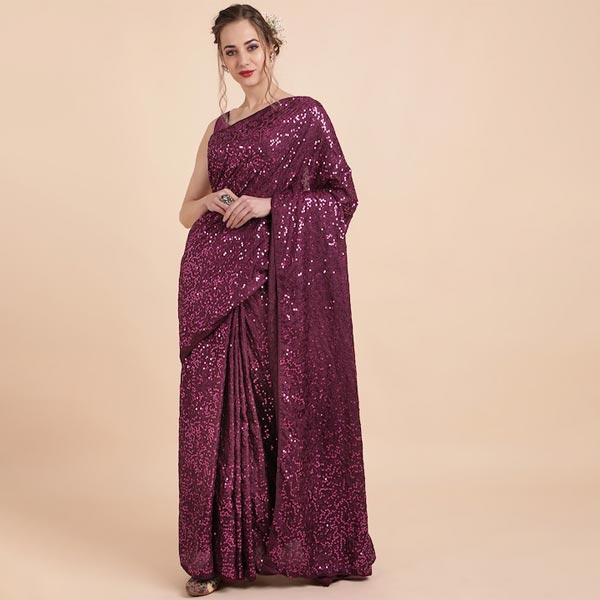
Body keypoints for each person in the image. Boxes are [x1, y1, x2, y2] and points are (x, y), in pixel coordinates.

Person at [177, 4, 376, 596]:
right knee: (215, 420)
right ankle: (216, 557)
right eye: (230, 51)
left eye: (251, 47)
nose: (242, 60)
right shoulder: (217, 129)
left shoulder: (306, 116)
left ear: (271, 47)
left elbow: (341, 197)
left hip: (279, 287)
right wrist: (211, 202)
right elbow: (185, 210)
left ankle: (296, 544)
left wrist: (273, 206)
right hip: (215, 288)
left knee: (278, 412)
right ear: (221, 59)